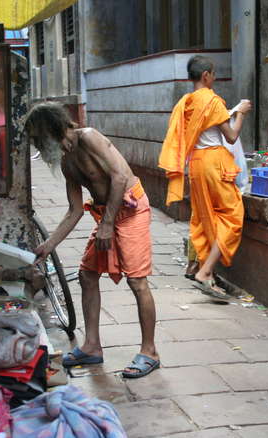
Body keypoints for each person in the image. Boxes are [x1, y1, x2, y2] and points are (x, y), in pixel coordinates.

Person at [26, 102, 160, 379]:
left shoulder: (89, 137)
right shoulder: (67, 162)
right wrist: (47, 247)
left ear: (52, 129)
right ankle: (92, 346)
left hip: (130, 210)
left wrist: (108, 224)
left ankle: (150, 351)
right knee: (87, 275)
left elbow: (120, 175)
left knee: (137, 281)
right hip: (106, 216)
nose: (39, 147)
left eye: (39, 139)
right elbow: (74, 210)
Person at [159, 55, 252, 300]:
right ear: (206, 75)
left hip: (197, 164)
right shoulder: (212, 100)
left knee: (205, 217)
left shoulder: (186, 102)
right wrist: (241, 112)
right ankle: (206, 271)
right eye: (213, 73)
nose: (215, 77)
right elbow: (231, 136)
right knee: (232, 216)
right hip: (214, 163)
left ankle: (205, 272)